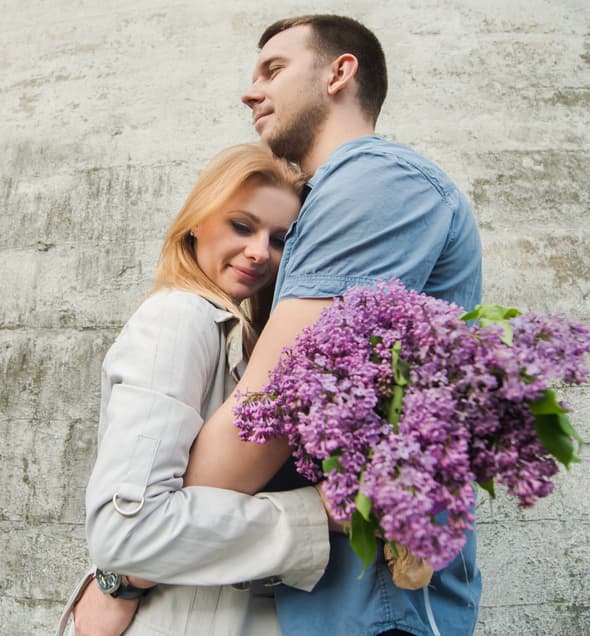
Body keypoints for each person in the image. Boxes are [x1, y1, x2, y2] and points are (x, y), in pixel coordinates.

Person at [184, 14, 484, 636]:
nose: (250, 91)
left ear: (339, 73)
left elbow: (268, 411)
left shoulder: (375, 182)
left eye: (273, 69)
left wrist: (141, 546)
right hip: (328, 600)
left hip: (375, 607)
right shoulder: (328, 199)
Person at [57, 144, 332, 636]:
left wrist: (117, 583)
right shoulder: (180, 318)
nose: (258, 252)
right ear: (196, 222)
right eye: (243, 226)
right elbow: (128, 532)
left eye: (279, 239)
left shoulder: (235, 331)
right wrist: (317, 513)